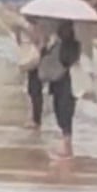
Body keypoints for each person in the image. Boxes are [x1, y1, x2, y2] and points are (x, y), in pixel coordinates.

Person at [38, 20, 81, 159]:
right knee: (59, 110)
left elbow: (66, 60)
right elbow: (46, 58)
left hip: (69, 83)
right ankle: (66, 144)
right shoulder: (56, 43)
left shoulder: (73, 45)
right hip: (58, 82)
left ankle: (67, 146)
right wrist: (45, 46)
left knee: (65, 112)